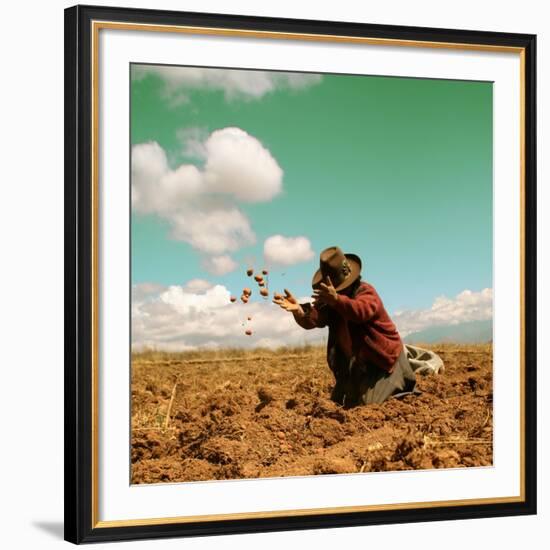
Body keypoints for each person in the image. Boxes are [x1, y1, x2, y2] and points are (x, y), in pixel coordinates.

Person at [273, 246, 418, 407]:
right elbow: (315, 319)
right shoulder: (330, 302)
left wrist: (337, 300)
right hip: (356, 365)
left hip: (382, 362)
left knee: (368, 406)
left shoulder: (365, 291)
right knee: (340, 403)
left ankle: (403, 383)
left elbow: (360, 312)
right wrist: (299, 310)